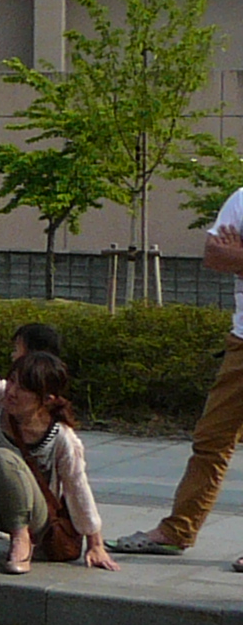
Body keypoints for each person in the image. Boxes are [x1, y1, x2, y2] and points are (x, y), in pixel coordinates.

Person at [112, 182, 243, 563]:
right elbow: (213, 254)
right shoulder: (241, 198)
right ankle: (178, 530)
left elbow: (228, 256)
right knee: (211, 440)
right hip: (241, 342)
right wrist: (230, 254)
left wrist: (239, 255)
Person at [0, 352, 120, 575]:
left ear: (47, 399)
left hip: (34, 514)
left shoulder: (62, 438)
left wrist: (96, 544)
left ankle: (21, 537)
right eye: (12, 381)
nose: (12, 392)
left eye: (24, 389)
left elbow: (77, 488)